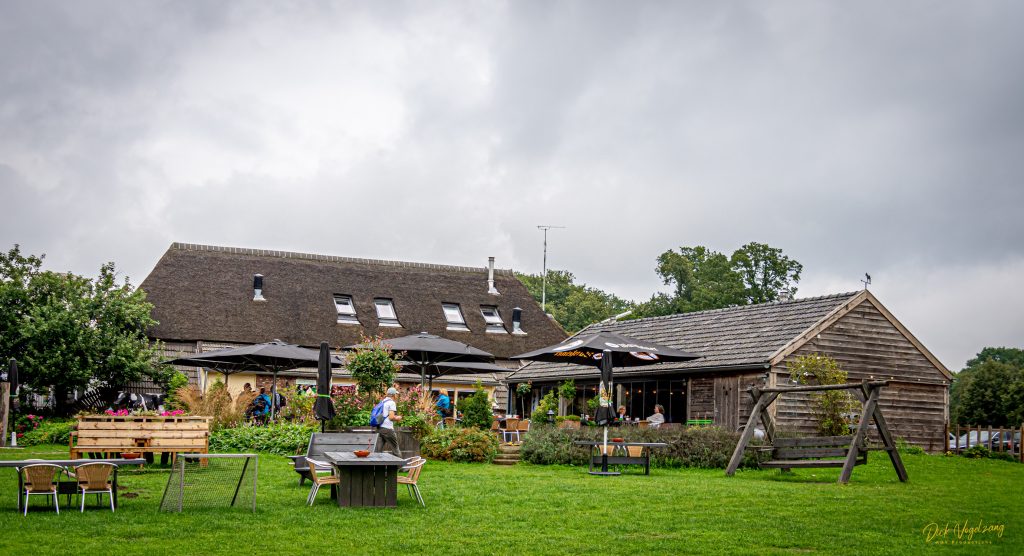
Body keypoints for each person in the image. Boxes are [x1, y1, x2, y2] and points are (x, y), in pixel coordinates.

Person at [378, 387, 403, 457]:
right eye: (396, 394)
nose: (396, 396)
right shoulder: (391, 403)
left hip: (380, 428)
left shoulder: (383, 402)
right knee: (396, 450)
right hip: (388, 429)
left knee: (378, 451)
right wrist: (398, 418)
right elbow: (391, 417)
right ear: (393, 395)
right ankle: (400, 466)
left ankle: (374, 466)